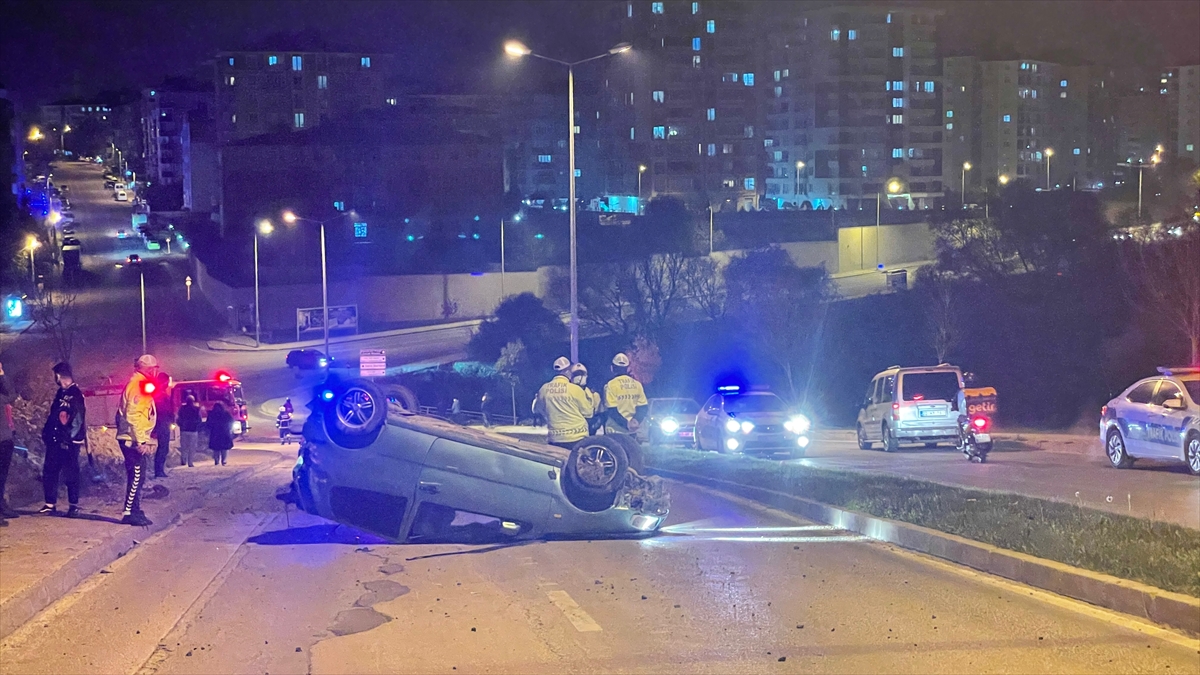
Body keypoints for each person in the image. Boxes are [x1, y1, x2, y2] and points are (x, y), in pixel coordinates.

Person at [115, 354, 158, 526]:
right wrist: (140, 441)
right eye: (154, 368)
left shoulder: (139, 383)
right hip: (131, 439)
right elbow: (133, 415)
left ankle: (135, 509)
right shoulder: (139, 385)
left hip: (132, 437)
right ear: (149, 369)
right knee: (136, 476)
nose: (155, 372)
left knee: (138, 476)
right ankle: (130, 512)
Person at [40, 362, 87, 517]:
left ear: (59, 376)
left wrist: (70, 438)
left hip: (68, 442)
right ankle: (50, 504)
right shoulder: (60, 393)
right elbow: (54, 415)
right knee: (50, 470)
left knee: (71, 473)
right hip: (55, 439)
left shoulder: (75, 394)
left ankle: (73, 505)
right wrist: (47, 432)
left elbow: (77, 419)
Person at [532, 357, 596, 449]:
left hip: (555, 438)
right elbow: (588, 413)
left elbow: (538, 409)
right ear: (568, 371)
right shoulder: (575, 389)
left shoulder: (544, 389)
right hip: (577, 438)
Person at [603, 353, 649, 435]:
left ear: (612, 368)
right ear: (627, 368)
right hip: (633, 430)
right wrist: (636, 421)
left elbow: (612, 410)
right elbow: (643, 407)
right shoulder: (637, 384)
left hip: (615, 430)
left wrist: (626, 424)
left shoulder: (610, 385)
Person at [0, 362, 19, 525]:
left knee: (2, 475)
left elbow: (11, 394)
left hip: (5, 438)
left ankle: (1, 505)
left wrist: (1, 374)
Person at [570, 362, 603, 435]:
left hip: (589, 430)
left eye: (581, 374)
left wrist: (594, 425)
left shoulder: (594, 395)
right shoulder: (568, 393)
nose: (579, 377)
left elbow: (599, 414)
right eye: (576, 374)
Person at [152, 371, 174, 478]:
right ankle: (159, 470)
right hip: (162, 423)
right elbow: (161, 410)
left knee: (164, 447)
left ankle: (160, 470)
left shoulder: (161, 394)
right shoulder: (159, 395)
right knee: (163, 447)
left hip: (163, 422)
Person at [176, 393, 201, 467]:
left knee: (184, 446)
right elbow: (199, 419)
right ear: (193, 401)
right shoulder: (196, 409)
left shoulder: (182, 408)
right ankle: (190, 462)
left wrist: (181, 425)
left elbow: (178, 418)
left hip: (184, 430)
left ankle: (183, 460)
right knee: (192, 447)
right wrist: (196, 426)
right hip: (193, 430)